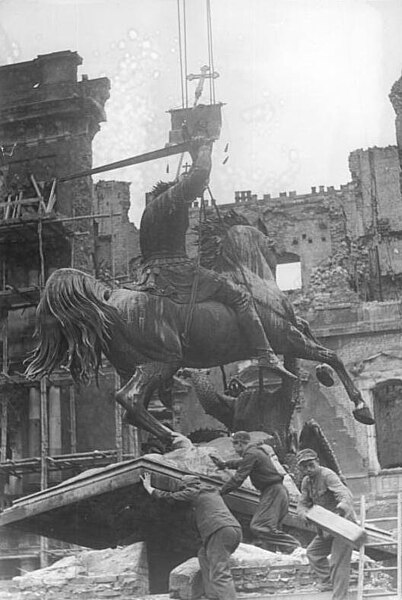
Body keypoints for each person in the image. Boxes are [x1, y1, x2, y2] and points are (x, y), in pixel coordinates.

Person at [137, 138, 295, 381]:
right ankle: (265, 354)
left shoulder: (149, 211)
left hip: (148, 275)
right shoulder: (172, 199)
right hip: (175, 271)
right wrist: (203, 148)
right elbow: (200, 174)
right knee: (240, 296)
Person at [141, 471, 242, 600]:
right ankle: (213, 595)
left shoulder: (193, 492)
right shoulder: (212, 491)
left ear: (186, 486)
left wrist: (150, 489)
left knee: (220, 571)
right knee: (203, 554)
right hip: (233, 530)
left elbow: (170, 497)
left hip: (219, 530)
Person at [211, 431, 300, 554]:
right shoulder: (255, 453)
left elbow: (238, 478)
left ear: (240, 444)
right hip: (277, 491)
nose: (235, 449)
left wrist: (220, 492)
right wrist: (225, 464)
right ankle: (281, 556)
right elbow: (241, 464)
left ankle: (295, 547)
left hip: (273, 492)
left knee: (260, 526)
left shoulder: (251, 454)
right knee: (270, 533)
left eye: (234, 445)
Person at [296, 448, 356, 600]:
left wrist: (342, 507)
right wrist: (303, 514)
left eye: (311, 465)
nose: (308, 469)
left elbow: (344, 493)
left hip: (343, 525)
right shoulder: (306, 482)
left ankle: (340, 597)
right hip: (326, 526)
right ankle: (328, 582)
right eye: (304, 467)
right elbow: (302, 503)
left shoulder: (327, 475)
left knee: (338, 562)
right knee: (313, 553)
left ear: (317, 462)